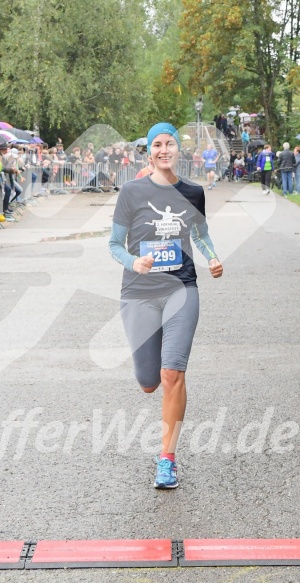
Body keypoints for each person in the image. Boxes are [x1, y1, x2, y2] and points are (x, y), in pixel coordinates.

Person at [109, 122, 223, 489]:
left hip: (181, 289)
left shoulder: (193, 192)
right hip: (139, 292)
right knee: (148, 382)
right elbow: (114, 244)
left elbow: (201, 235)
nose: (163, 150)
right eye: (156, 144)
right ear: (149, 151)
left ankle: (167, 459)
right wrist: (133, 262)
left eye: (169, 143)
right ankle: (153, 374)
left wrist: (213, 258)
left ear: (178, 150)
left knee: (172, 373)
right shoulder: (130, 191)